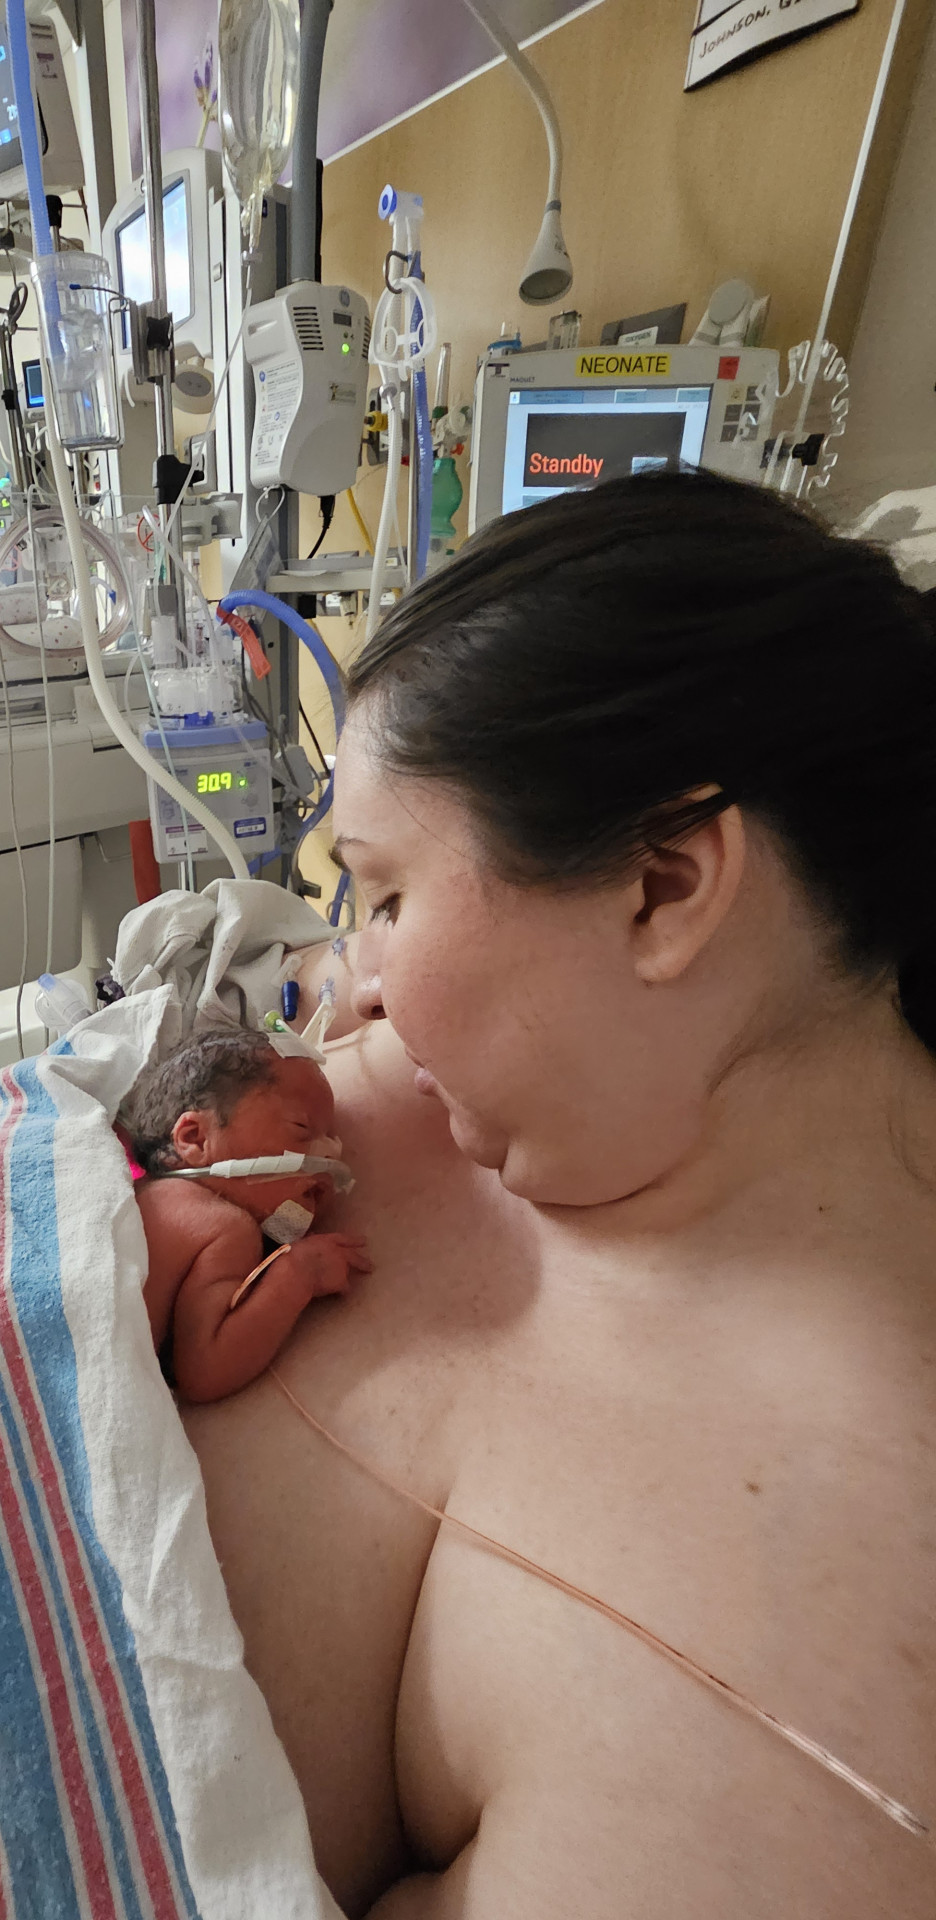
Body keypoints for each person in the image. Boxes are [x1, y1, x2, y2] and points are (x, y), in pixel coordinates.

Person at [180, 472, 936, 1916]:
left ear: (663, 888)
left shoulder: (804, 1697)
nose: (362, 983)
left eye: (386, 895)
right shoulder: (555, 1064)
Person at [124, 1028, 371, 1402]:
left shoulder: (147, 1197)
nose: (329, 1157)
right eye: (301, 1129)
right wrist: (299, 1275)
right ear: (194, 1138)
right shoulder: (223, 1225)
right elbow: (205, 1370)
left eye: (331, 1140)